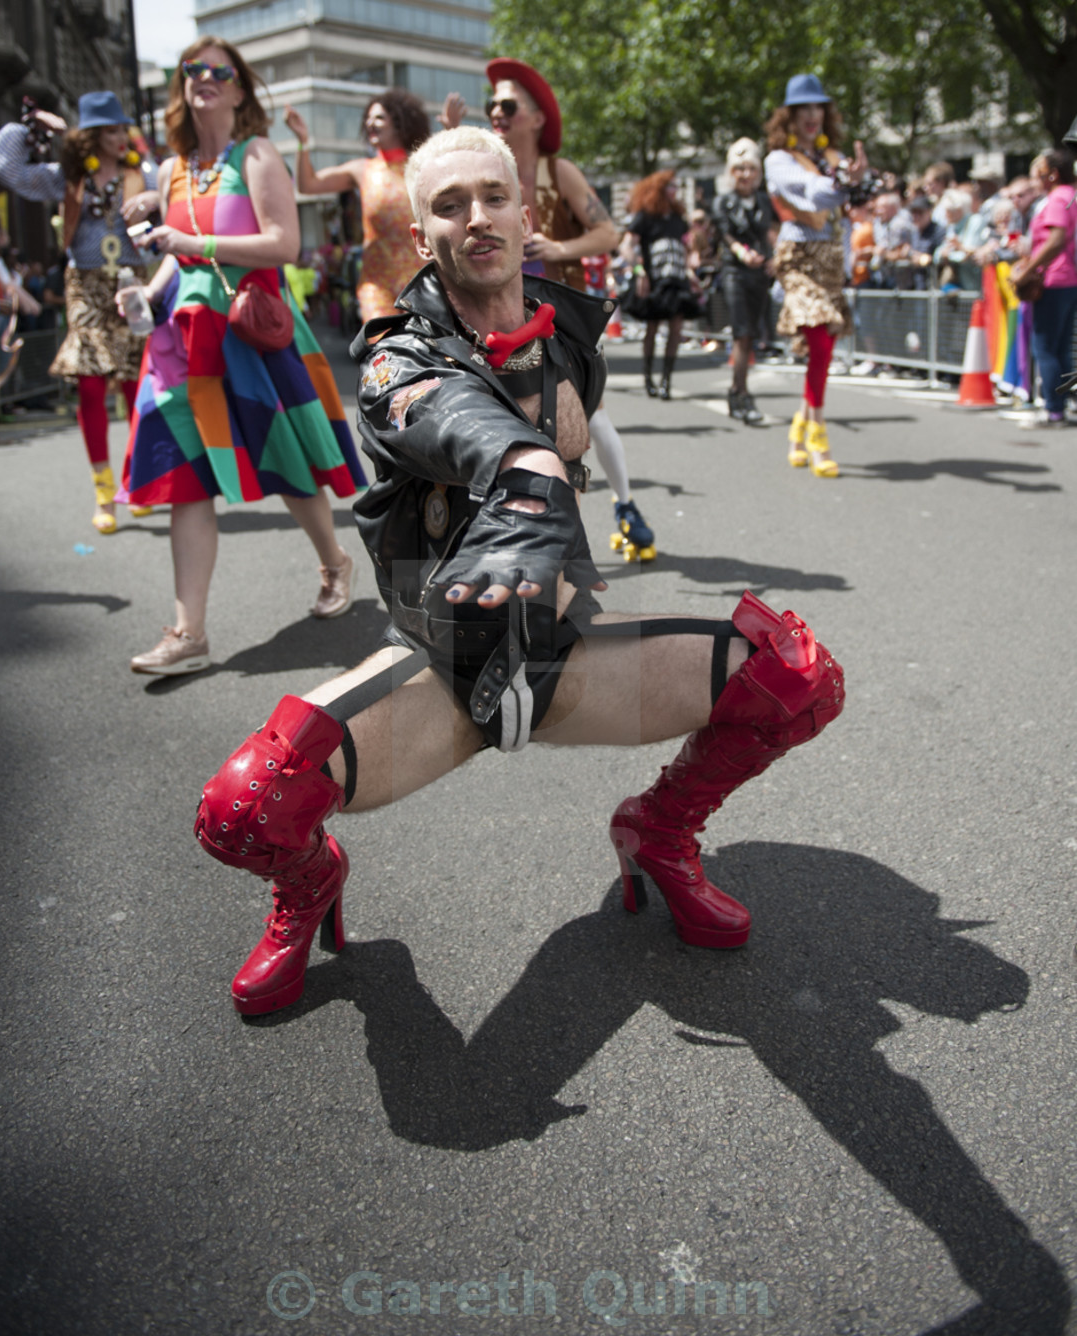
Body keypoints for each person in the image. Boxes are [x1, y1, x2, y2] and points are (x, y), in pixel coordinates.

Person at [192, 126, 846, 1016]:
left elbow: (565, 427)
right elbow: (481, 436)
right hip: (447, 669)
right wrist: (526, 495)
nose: (477, 219)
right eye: (449, 206)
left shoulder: (567, 331)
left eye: (492, 197)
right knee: (247, 804)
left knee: (795, 677)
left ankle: (659, 831)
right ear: (423, 238)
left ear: (523, 211)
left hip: (565, 660)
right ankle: (310, 886)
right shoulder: (394, 359)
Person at [118, 37, 366, 674]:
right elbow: (174, 256)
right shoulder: (174, 168)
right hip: (182, 342)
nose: (203, 79)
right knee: (186, 480)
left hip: (247, 332)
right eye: (191, 71)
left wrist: (193, 242)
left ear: (237, 89)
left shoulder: (255, 153)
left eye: (216, 72)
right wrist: (143, 297)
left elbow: (283, 244)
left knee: (287, 460)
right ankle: (188, 634)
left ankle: (335, 562)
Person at [485, 58, 655, 562]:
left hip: (560, 318)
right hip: (498, 317)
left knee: (590, 418)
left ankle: (625, 507)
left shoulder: (559, 172)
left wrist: (556, 248)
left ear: (537, 118)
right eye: (491, 103)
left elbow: (608, 233)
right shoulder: (486, 168)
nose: (496, 111)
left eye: (508, 104)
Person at [0, 92, 158, 533]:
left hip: (131, 284)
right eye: (110, 130)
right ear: (88, 135)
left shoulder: (140, 173)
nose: (119, 137)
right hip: (84, 285)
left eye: (122, 128)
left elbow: (169, 186)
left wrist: (151, 193)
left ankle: (135, 481)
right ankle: (104, 492)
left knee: (134, 387)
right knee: (89, 384)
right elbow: (6, 168)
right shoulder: (67, 176)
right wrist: (31, 128)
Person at [764, 73, 873, 477]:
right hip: (799, 258)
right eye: (803, 108)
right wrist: (848, 182)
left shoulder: (836, 159)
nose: (812, 116)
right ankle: (818, 434)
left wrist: (860, 181)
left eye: (818, 108)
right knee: (820, 340)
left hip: (830, 260)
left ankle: (798, 428)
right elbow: (814, 193)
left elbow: (856, 200)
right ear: (789, 116)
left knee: (823, 344)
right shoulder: (778, 160)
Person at [284, 88, 464, 325]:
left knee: (424, 354)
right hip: (376, 285)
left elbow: (459, 178)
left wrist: (452, 133)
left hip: (422, 280)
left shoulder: (423, 164)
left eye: (379, 117)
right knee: (383, 352)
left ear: (401, 123)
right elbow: (308, 185)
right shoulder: (361, 169)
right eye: (368, 118)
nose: (371, 122)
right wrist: (303, 142)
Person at [712, 138, 778, 422]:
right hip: (735, 272)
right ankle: (742, 393)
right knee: (741, 333)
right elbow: (726, 234)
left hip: (759, 274)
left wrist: (775, 258)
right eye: (739, 169)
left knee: (751, 334)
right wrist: (742, 252)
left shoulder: (765, 200)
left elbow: (772, 232)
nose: (745, 174)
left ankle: (736, 390)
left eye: (750, 168)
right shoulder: (723, 200)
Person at [621, 170, 697, 402]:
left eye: (676, 187)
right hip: (654, 281)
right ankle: (647, 377)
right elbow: (626, 246)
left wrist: (691, 269)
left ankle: (666, 381)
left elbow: (687, 248)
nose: (674, 191)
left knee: (676, 329)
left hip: (677, 280)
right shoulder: (645, 217)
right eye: (670, 187)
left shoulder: (678, 219)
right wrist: (637, 269)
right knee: (652, 328)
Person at [1018, 147, 1077, 428]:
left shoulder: (1057, 199)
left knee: (1045, 349)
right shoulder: (1071, 196)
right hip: (1069, 279)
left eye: (1039, 172)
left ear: (1052, 175)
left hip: (1053, 280)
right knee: (1061, 348)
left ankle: (1054, 409)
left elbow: (1055, 241)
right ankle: (1064, 406)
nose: (1036, 178)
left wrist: (1027, 271)